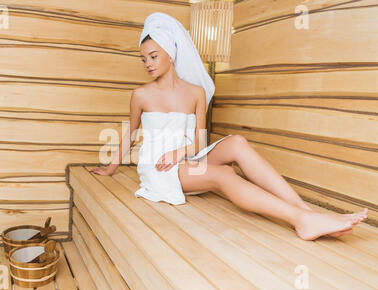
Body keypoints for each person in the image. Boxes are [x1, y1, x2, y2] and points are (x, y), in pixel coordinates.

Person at [90, 12, 368, 241]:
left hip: (187, 156)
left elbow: (198, 142)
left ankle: (307, 211)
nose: (147, 64)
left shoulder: (196, 92)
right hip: (159, 168)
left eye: (153, 56)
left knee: (237, 142)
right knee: (224, 174)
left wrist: (180, 152)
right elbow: (131, 135)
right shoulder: (140, 95)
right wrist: (111, 167)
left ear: (171, 53)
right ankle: (301, 221)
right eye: (144, 59)